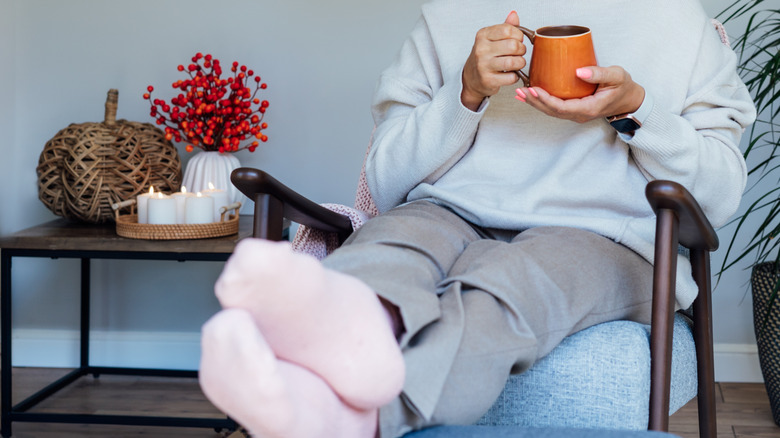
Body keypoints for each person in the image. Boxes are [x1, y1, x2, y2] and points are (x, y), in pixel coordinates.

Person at [198, 1, 757, 437]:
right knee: (389, 249)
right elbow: (386, 179)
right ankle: (312, 366)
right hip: (446, 211)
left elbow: (719, 192)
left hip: (607, 235)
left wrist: (634, 108)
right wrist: (464, 93)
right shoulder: (447, 16)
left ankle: (361, 422)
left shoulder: (679, 23)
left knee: (501, 286)